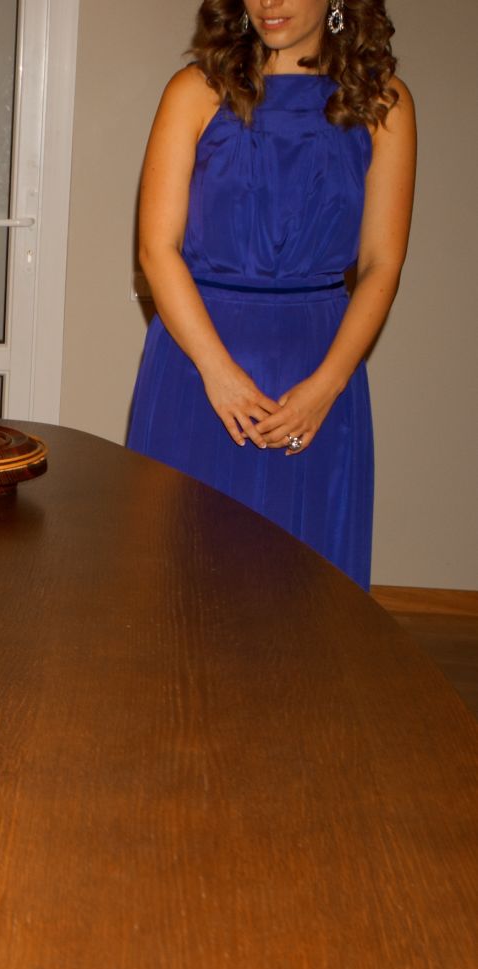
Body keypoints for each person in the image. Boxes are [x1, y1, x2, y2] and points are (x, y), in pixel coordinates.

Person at [126, 0, 415, 588]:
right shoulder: (194, 91)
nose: (268, 2)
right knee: (180, 585)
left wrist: (326, 386)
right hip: (196, 366)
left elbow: (382, 263)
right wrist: (218, 374)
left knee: (307, 589)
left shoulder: (384, 102)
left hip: (319, 369)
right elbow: (157, 250)